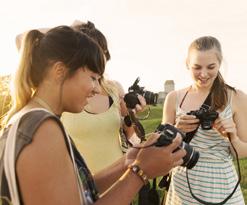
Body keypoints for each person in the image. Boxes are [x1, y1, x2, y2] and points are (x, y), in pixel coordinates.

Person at [0, 25, 186, 205]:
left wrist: (128, 161)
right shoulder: (44, 127)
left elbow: (78, 192)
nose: (97, 89)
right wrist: (140, 173)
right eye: (93, 78)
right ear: (59, 71)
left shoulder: (27, 118)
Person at [162, 36, 247, 204]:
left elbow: (244, 152)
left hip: (222, 187)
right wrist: (177, 130)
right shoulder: (174, 98)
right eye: (196, 67)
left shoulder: (236, 97)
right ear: (187, 64)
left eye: (211, 67)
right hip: (182, 186)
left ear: (219, 64)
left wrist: (232, 137)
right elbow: (161, 150)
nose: (203, 74)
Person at [62, 20, 146, 173]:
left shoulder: (114, 89)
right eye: (92, 53)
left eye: (103, 53)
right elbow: (24, 39)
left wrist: (132, 118)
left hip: (117, 177)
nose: (100, 60)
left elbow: (132, 138)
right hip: (79, 183)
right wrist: (68, 32)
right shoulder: (63, 91)